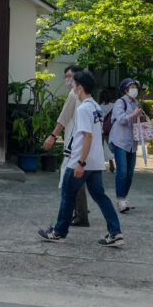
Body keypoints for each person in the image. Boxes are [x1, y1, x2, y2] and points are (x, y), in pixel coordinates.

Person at [37, 70, 124, 247]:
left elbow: (87, 136)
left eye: (74, 84)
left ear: (81, 88)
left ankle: (59, 232)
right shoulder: (96, 107)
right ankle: (115, 233)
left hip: (81, 161)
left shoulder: (84, 108)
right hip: (95, 162)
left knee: (67, 196)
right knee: (100, 197)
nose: (72, 87)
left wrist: (80, 162)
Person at [42, 64, 89, 226]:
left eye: (70, 76)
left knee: (68, 179)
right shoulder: (86, 98)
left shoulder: (73, 95)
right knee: (80, 181)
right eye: (66, 76)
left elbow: (63, 118)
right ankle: (80, 212)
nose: (67, 80)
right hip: (79, 143)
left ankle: (71, 217)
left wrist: (52, 136)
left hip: (73, 143)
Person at [108, 77, 143, 213]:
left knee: (129, 173)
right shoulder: (120, 102)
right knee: (122, 172)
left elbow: (140, 119)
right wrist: (134, 114)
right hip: (120, 141)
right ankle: (120, 200)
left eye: (136, 87)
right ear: (126, 89)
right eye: (132, 87)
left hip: (132, 142)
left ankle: (124, 198)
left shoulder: (136, 103)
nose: (135, 89)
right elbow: (122, 120)